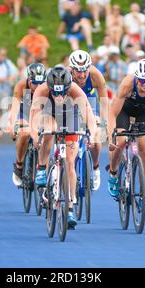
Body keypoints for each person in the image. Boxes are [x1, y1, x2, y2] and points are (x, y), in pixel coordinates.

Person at [29, 65, 98, 229]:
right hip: (49, 113)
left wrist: (93, 135)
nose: (59, 96)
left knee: (69, 163)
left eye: (62, 92)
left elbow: (89, 117)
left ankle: (70, 207)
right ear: (50, 88)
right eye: (55, 92)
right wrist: (34, 137)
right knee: (49, 130)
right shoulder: (42, 90)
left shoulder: (75, 90)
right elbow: (33, 118)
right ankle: (41, 167)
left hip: (69, 115)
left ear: (68, 87)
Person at [107, 58, 145, 212]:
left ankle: (144, 194)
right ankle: (113, 174)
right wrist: (111, 135)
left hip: (144, 113)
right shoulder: (127, 84)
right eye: (142, 81)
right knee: (119, 143)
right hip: (124, 111)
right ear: (136, 79)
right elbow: (113, 113)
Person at [69, 50, 109, 190]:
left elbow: (104, 101)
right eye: (78, 71)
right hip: (71, 101)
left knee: (96, 136)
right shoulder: (65, 76)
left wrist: (104, 122)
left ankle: (96, 167)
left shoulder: (96, 75)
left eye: (85, 70)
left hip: (90, 101)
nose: (82, 75)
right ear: (71, 70)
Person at [9, 63, 47, 186]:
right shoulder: (21, 86)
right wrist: (12, 125)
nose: (38, 86)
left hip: (40, 112)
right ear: (29, 80)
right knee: (24, 133)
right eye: (35, 83)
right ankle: (19, 165)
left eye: (41, 83)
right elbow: (15, 107)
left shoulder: (48, 86)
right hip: (25, 111)